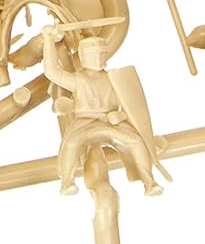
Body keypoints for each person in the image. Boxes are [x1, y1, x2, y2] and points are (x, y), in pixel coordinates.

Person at [41, 28, 163, 196]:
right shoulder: (79, 79)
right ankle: (67, 181)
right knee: (71, 143)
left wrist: (120, 115)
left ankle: (149, 181)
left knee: (135, 141)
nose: (97, 57)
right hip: (84, 122)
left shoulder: (115, 78)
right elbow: (52, 72)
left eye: (100, 53)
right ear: (83, 56)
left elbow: (129, 106)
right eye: (93, 53)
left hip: (111, 122)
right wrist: (48, 39)